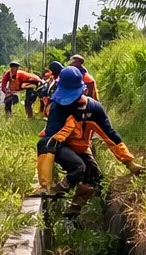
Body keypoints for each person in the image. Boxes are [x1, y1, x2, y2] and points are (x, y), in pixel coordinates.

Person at [34, 66, 139, 213]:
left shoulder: (94, 109)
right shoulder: (58, 108)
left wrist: (129, 162)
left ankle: (74, 210)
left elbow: (110, 135)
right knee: (78, 168)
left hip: (81, 148)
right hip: (62, 147)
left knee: (96, 179)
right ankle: (57, 190)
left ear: (83, 91)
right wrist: (46, 183)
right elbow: (49, 141)